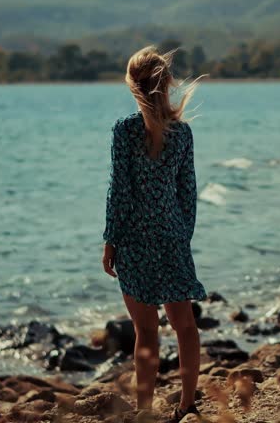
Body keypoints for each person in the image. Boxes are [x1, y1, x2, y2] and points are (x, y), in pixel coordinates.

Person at [102, 46, 207, 421]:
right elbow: (187, 193)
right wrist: (181, 236)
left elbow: (120, 191)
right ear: (167, 85)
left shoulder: (125, 131)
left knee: (145, 332)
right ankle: (188, 403)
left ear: (133, 86)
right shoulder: (182, 133)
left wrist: (110, 241)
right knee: (185, 325)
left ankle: (145, 411)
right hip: (172, 238)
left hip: (134, 240)